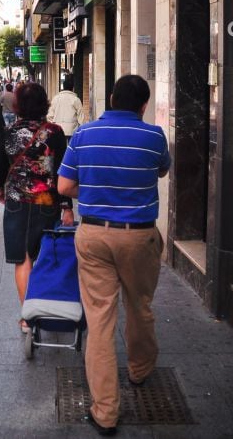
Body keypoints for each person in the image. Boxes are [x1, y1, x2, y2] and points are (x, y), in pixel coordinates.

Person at [57, 75, 170, 436]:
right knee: (140, 306)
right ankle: (139, 369)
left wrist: (91, 189)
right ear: (143, 105)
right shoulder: (154, 136)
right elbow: (161, 170)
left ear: (109, 99)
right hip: (139, 237)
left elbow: (64, 185)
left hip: (92, 236)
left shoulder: (84, 134)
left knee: (100, 321)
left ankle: (105, 411)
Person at [0, 83, 73, 334]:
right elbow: (62, 171)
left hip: (17, 202)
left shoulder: (8, 131)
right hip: (47, 203)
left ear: (17, 105)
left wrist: (0, 189)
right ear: (44, 103)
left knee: (23, 259)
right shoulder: (54, 132)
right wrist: (67, 207)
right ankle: (48, 308)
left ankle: (28, 318)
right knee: (45, 257)